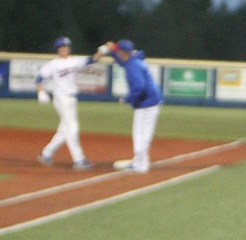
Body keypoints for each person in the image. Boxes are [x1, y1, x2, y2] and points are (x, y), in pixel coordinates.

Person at [36, 36, 105, 170]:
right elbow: (39, 79)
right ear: (57, 49)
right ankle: (79, 159)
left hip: (71, 98)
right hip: (61, 98)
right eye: (62, 47)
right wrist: (41, 92)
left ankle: (46, 154)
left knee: (64, 130)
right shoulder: (52, 64)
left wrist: (102, 50)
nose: (65, 49)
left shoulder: (75, 61)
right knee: (72, 127)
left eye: (66, 47)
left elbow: (92, 59)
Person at [103, 39, 162, 173]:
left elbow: (140, 87)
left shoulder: (132, 66)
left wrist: (127, 99)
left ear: (123, 52)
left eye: (118, 50)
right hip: (150, 101)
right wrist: (112, 51)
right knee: (142, 133)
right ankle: (140, 162)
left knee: (141, 135)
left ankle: (140, 165)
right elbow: (122, 61)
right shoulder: (134, 59)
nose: (117, 52)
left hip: (147, 103)